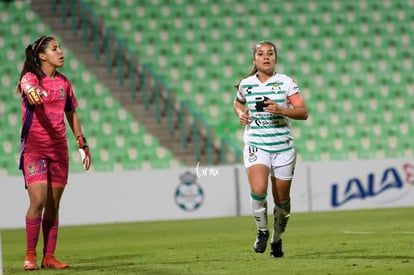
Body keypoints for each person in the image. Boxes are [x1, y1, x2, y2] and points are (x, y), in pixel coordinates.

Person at [16, 35, 91, 270]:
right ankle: (30, 256)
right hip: (35, 149)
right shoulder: (31, 78)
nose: (61, 52)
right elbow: (27, 87)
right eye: (55, 48)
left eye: (60, 47)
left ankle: (49, 256)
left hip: (59, 150)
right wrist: (31, 92)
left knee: (53, 204)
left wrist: (82, 144)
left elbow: (72, 114)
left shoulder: (65, 83)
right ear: (41, 55)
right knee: (37, 201)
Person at [233, 40, 308, 258]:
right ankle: (263, 231)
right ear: (254, 59)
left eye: (270, 53)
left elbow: (303, 112)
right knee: (258, 190)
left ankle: (277, 239)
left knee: (282, 200)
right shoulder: (246, 84)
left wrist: (282, 110)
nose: (266, 57)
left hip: (282, 147)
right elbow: (238, 102)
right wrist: (241, 114)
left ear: (275, 57)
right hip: (256, 144)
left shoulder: (286, 83)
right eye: (261, 54)